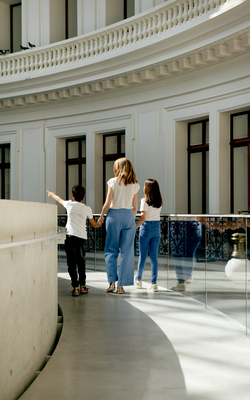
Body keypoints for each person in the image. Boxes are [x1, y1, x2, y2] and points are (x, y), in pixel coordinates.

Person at [47, 185, 101, 297]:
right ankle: (83, 286)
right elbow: (93, 224)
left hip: (70, 237)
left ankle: (75, 288)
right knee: (81, 263)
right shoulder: (87, 209)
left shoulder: (69, 204)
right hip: (82, 238)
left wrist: (51, 194)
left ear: (72, 196)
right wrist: (100, 222)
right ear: (84, 195)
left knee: (71, 264)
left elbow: (58, 199)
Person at [98, 158, 140, 294]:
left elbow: (107, 202)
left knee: (111, 249)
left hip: (114, 216)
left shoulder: (113, 182)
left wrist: (101, 215)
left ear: (119, 168)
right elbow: (135, 207)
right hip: (129, 217)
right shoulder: (135, 184)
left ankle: (111, 283)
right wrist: (131, 219)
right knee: (127, 252)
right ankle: (121, 286)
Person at [134, 179, 163, 293]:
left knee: (142, 256)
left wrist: (135, 226)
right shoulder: (159, 201)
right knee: (154, 257)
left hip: (146, 228)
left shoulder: (144, 201)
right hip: (156, 228)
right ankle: (153, 283)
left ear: (147, 188)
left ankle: (138, 279)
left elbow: (143, 218)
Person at [169, 219, 202, 291]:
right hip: (196, 223)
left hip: (178, 223)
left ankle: (181, 283)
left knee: (178, 254)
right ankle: (188, 277)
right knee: (190, 253)